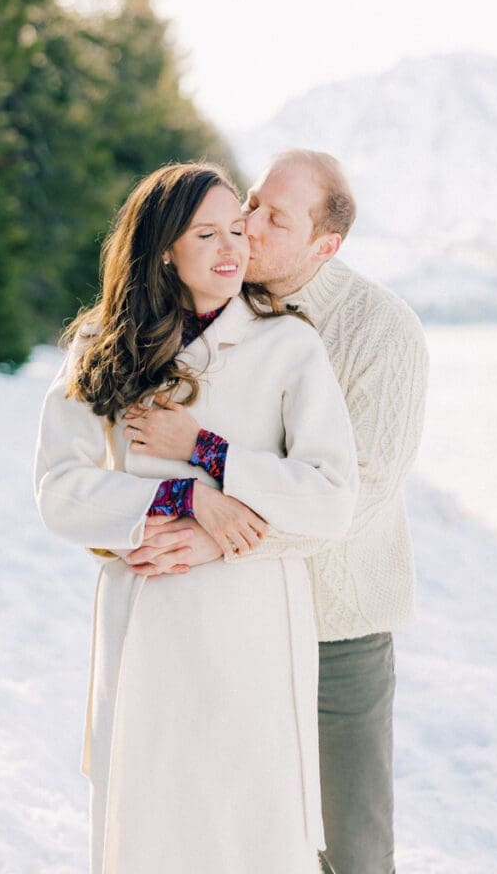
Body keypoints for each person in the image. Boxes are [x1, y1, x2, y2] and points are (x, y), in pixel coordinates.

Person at [34, 162, 359, 874]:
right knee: (153, 832)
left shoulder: (289, 346)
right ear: (163, 252)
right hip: (147, 624)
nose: (231, 247)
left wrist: (211, 457)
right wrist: (181, 498)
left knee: (251, 831)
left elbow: (332, 496)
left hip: (253, 627)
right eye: (206, 233)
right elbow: (59, 489)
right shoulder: (101, 348)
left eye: (237, 230)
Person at [129, 149, 429, 874]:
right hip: (236, 621)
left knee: (351, 849)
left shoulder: (383, 331)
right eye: (252, 202)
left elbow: (358, 493)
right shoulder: (221, 306)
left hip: (336, 633)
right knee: (245, 841)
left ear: (326, 246)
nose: (248, 224)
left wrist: (220, 541)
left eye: (274, 217)